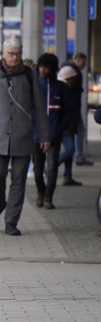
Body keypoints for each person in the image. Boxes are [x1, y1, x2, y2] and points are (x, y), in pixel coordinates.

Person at [0, 37, 50, 236]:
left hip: (23, 137)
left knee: (19, 181)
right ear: (3, 54)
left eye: (18, 54)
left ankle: (11, 222)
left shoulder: (30, 76)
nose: (15, 58)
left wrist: (45, 136)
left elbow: (40, 107)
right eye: (11, 54)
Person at [33, 53, 71, 210]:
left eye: (46, 67)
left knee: (52, 167)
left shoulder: (62, 88)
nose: (43, 70)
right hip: (36, 135)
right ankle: (40, 190)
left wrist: (59, 129)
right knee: (37, 168)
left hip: (55, 135)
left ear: (53, 69)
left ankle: (49, 196)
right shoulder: (34, 86)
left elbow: (68, 112)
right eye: (41, 66)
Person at [62, 52, 93, 166]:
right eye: (84, 62)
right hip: (72, 110)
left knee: (77, 132)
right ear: (78, 60)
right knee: (77, 132)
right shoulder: (73, 71)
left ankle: (69, 171)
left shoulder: (66, 68)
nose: (84, 65)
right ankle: (78, 157)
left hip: (72, 109)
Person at [57, 66, 84, 186]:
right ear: (68, 78)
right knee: (70, 150)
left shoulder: (72, 89)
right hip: (65, 125)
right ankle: (50, 167)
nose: (76, 80)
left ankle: (68, 176)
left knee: (70, 152)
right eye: (74, 78)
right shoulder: (64, 90)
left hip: (70, 123)